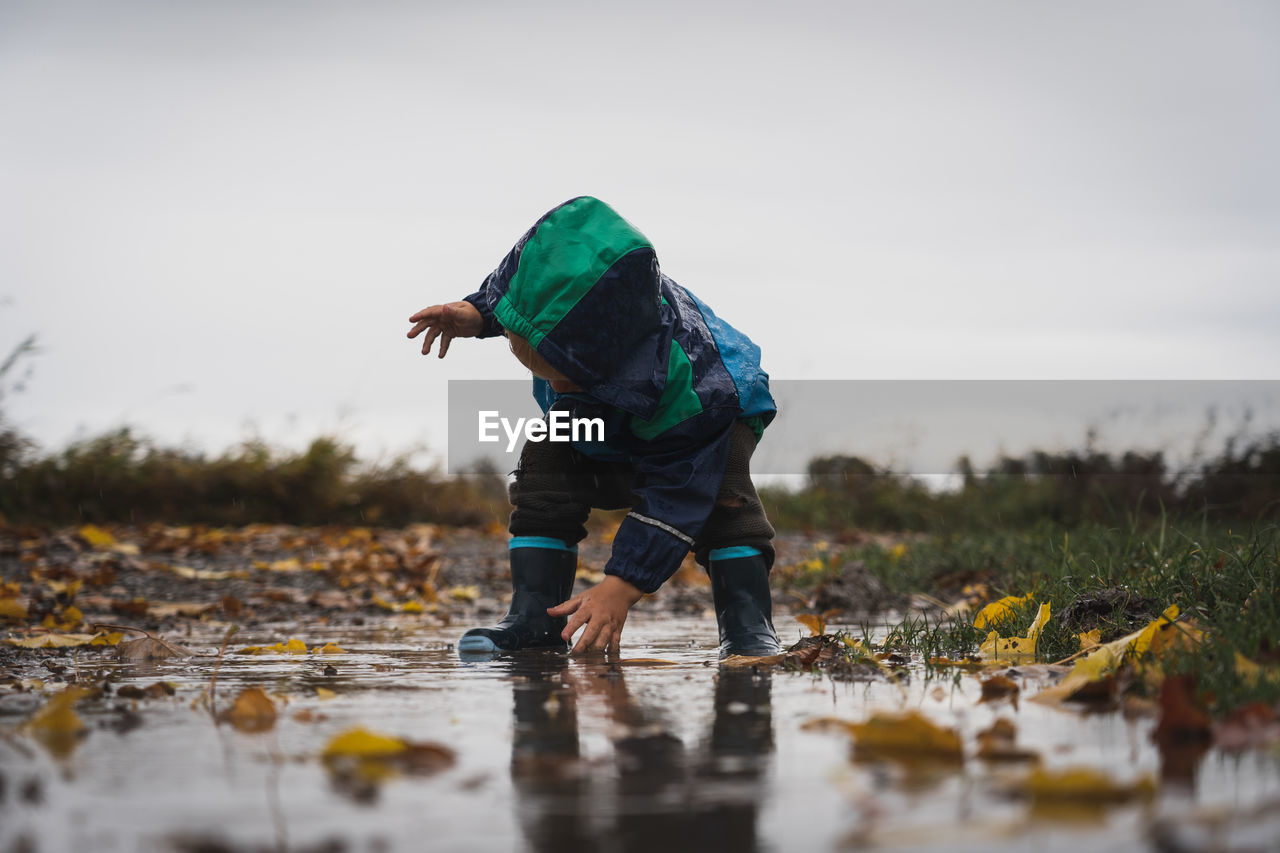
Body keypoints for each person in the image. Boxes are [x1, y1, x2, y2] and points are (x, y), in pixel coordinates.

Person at [407, 196, 779, 658]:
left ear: (603, 352)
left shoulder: (692, 396)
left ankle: (748, 628)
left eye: (564, 369)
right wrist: (480, 313)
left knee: (724, 500)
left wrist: (620, 587)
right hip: (607, 405)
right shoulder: (563, 311)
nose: (555, 385)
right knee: (547, 458)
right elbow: (531, 296)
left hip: (714, 416)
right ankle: (534, 618)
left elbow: (676, 492)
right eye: (531, 355)